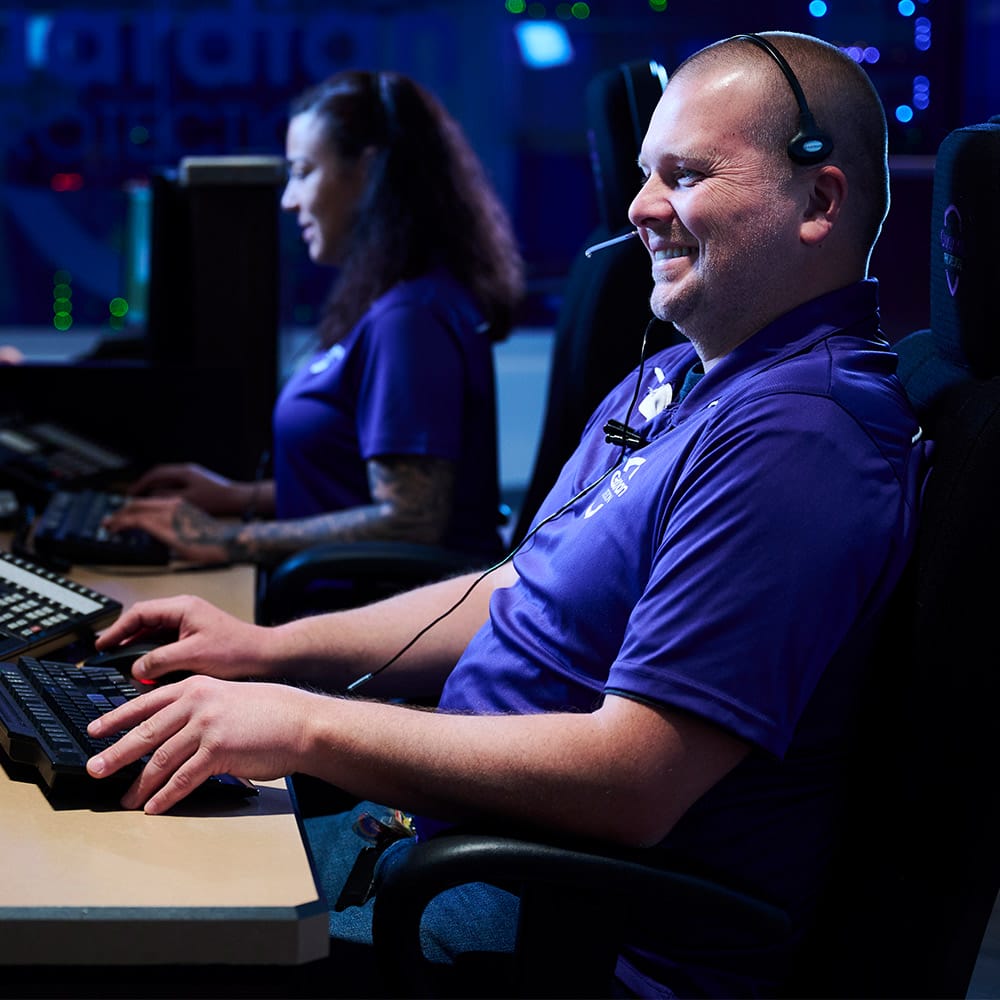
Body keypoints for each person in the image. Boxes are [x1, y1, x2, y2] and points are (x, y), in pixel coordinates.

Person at [85, 31, 929, 997]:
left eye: (686, 176)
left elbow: (636, 780)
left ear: (818, 202)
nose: (642, 209)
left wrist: (304, 727)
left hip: (559, 931)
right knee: (120, 844)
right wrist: (261, 652)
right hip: (456, 855)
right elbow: (518, 585)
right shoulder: (683, 377)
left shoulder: (799, 440)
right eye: (647, 173)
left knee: (134, 932)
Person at [104, 70, 524, 567]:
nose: (288, 200)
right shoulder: (391, 302)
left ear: (368, 174)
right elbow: (346, 487)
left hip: (373, 619)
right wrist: (239, 498)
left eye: (303, 172)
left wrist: (224, 540)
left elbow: (410, 519)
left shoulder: (411, 320)